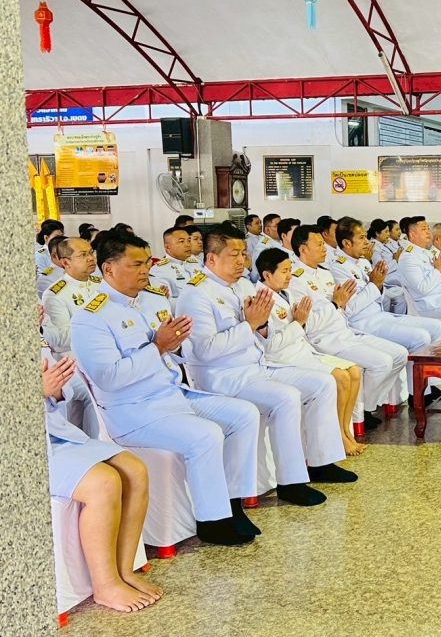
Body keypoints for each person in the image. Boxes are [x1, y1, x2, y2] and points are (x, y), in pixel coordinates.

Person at [71, 230, 262, 545]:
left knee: (244, 414)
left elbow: (176, 353)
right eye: (136, 264)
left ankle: (233, 503)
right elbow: (109, 378)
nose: (145, 270)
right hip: (134, 410)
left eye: (147, 262)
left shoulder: (153, 300)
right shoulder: (91, 318)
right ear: (109, 269)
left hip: (173, 394)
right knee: (206, 434)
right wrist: (158, 347)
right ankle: (213, 521)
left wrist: (176, 344)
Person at [176, 225, 350, 500]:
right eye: (233, 255)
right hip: (223, 376)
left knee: (322, 383)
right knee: (286, 397)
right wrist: (250, 325)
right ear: (211, 258)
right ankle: (290, 482)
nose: (241, 261)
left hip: (258, 366)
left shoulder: (245, 286)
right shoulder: (196, 294)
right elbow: (204, 351)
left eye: (243, 253)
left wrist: (261, 327)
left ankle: (321, 463)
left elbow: (265, 334)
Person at [41, 346, 162, 612]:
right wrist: (36, 390)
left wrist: (54, 389)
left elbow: (61, 392)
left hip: (57, 435)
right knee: (103, 482)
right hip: (22, 450)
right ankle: (105, 586)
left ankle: (124, 570)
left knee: (134, 470)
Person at [286, 224, 409, 428]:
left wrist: (340, 305)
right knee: (382, 362)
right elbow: (309, 323)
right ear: (303, 249)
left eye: (323, 243)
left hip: (345, 331)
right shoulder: (295, 279)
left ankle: (365, 406)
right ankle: (359, 413)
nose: (325, 248)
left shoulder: (325, 273)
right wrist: (336, 304)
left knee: (399, 354)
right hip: (323, 339)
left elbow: (344, 308)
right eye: (319, 244)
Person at [255, 247, 365, 456]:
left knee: (354, 371)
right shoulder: (261, 300)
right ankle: (339, 437)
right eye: (284, 271)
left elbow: (305, 324)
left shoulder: (286, 294)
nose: (289, 276)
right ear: (267, 275)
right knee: (340, 377)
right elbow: (270, 345)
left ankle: (344, 430)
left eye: (290, 270)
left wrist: (302, 323)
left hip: (303, 351)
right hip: (283, 360)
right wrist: (299, 323)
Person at [328, 218, 441, 399]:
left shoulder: (363, 262)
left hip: (380, 315)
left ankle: (430, 384)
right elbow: (350, 308)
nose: (367, 242)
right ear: (346, 243)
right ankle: (417, 393)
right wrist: (375, 285)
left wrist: (378, 286)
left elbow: (378, 296)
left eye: (365, 237)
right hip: (362, 323)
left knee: (437, 327)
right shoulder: (338, 268)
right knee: (420, 337)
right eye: (361, 238)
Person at [42, 237, 102, 355]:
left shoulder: (101, 283)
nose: (91, 258)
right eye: (83, 255)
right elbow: (61, 338)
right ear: (66, 262)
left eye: (91, 252)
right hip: (76, 356)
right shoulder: (55, 295)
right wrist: (102, 326)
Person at [148, 226, 195, 298]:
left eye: (189, 240)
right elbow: (164, 300)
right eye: (181, 241)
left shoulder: (197, 263)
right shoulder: (159, 270)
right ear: (167, 247)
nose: (188, 245)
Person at [249, 213, 281, 280]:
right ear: (267, 230)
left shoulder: (279, 241)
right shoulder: (263, 247)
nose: (281, 228)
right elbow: (256, 276)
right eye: (277, 225)